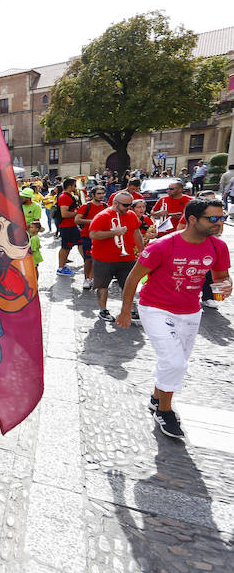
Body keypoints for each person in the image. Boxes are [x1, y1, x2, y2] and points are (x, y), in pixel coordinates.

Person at [117, 199, 231, 439]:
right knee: (175, 362)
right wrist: (126, 310)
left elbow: (221, 277)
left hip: (190, 312)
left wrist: (225, 286)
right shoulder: (162, 245)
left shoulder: (218, 247)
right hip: (156, 309)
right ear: (192, 220)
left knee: (173, 361)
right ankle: (165, 411)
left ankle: (156, 398)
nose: (219, 222)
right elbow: (133, 278)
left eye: (222, 217)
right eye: (212, 218)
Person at [88, 191, 144, 323]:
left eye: (130, 205)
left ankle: (129, 310)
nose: (128, 208)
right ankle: (103, 310)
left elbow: (136, 232)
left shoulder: (130, 215)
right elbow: (93, 234)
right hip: (104, 258)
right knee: (103, 286)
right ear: (115, 203)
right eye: (125, 205)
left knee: (128, 285)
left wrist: (143, 251)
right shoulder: (103, 216)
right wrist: (114, 233)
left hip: (127, 257)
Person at [74, 186, 107, 290]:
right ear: (93, 195)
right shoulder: (85, 206)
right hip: (87, 235)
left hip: (101, 236)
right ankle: (86, 279)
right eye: (99, 194)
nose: (101, 196)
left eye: (102, 193)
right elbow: (77, 220)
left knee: (97, 259)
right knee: (88, 259)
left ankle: (93, 278)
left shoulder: (106, 206)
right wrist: (93, 221)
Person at [56, 178, 83, 277]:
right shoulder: (64, 197)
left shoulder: (67, 196)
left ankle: (88, 262)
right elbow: (64, 214)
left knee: (79, 243)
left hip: (71, 225)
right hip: (67, 226)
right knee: (66, 247)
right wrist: (78, 213)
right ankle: (61, 268)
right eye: (74, 185)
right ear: (70, 186)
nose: (76, 187)